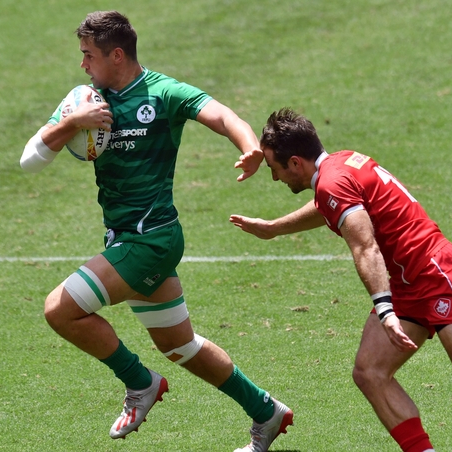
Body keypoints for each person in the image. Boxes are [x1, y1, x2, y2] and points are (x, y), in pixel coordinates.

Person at [229, 108, 452, 452]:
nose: (275, 178)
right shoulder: (341, 164)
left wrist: (385, 311)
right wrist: (274, 228)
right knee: (370, 372)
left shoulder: (333, 184)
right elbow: (330, 207)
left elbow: (365, 247)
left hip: (436, 274)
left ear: (295, 163)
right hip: (406, 280)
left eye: (275, 169)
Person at [19, 11, 292, 452]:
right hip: (127, 239)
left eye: (89, 56)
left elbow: (220, 114)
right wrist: (73, 123)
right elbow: (29, 159)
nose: (83, 65)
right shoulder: (86, 100)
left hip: (151, 240)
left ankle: (139, 383)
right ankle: (267, 411)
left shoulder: (163, 93)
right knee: (180, 346)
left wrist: (249, 147)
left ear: (118, 54)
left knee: (59, 310)